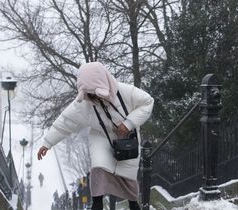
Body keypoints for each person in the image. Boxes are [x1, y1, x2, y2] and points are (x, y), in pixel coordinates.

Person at [37, 62, 154, 210]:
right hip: (100, 137)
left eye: (96, 93)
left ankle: (133, 204)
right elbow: (65, 122)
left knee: (127, 176)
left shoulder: (125, 91)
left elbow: (148, 103)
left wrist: (129, 123)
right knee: (98, 167)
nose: (94, 98)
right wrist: (47, 143)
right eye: (90, 94)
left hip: (127, 139)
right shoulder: (84, 104)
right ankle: (97, 204)